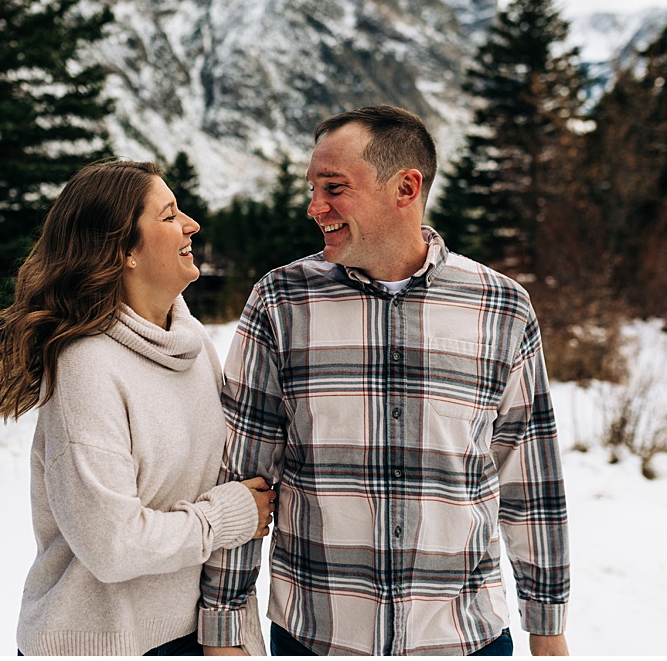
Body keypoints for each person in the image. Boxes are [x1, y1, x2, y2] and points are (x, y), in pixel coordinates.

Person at [198, 106, 570, 656]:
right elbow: (243, 475)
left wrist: (549, 631)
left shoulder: (501, 306)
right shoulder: (280, 301)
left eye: (335, 188)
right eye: (312, 187)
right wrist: (223, 631)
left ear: (406, 186)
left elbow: (529, 480)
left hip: (463, 639)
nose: (314, 206)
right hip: (317, 639)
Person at [0, 160, 276, 656]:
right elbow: (112, 545)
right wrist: (224, 517)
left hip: (186, 635)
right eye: (168, 215)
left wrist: (233, 634)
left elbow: (222, 478)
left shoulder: (194, 343)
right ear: (124, 251)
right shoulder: (86, 367)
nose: (191, 225)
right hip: (100, 644)